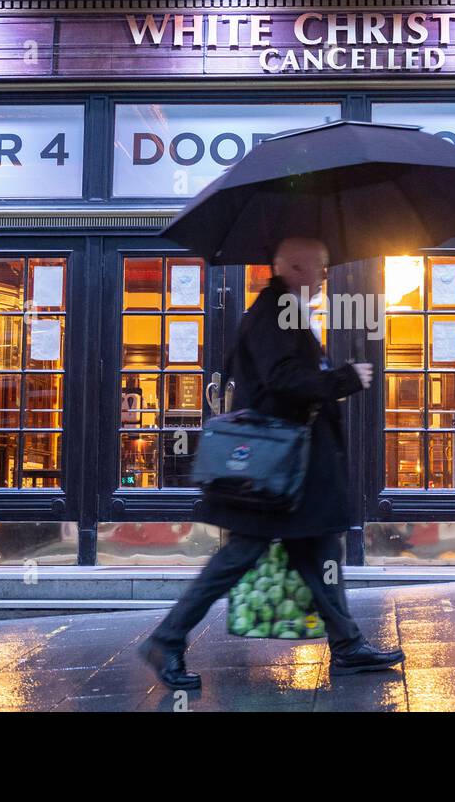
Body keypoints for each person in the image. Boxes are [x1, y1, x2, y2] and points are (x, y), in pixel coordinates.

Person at [139, 236, 405, 690]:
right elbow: (281, 380)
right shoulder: (272, 312)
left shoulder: (284, 310)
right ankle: (167, 638)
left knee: (318, 550)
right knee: (239, 556)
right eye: (320, 267)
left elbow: (286, 377)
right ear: (296, 268)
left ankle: (346, 645)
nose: (325, 275)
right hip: (271, 470)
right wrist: (342, 379)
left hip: (288, 471)